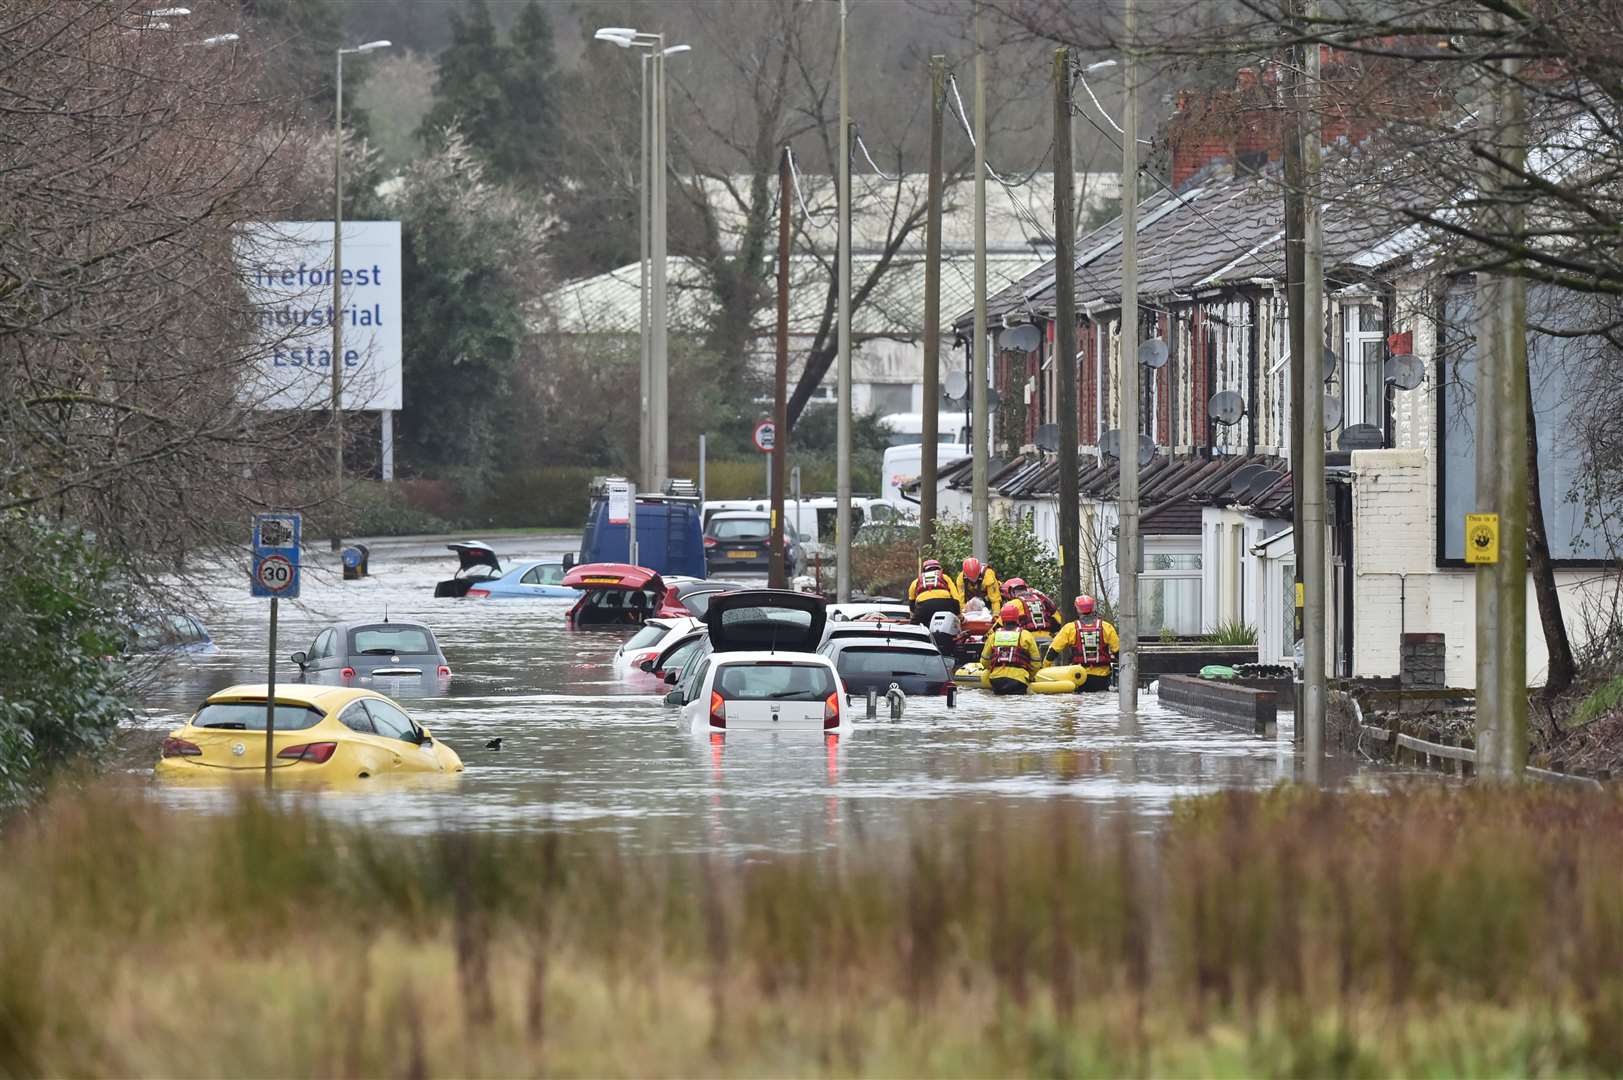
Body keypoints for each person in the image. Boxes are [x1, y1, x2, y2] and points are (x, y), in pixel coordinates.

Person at [1045, 594, 1120, 691]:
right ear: (1093, 608)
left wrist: (1045, 667)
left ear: (1077, 609)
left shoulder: (1070, 628)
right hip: (1102, 677)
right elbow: (1118, 651)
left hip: (1078, 676)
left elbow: (1053, 651)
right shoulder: (1106, 627)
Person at [980, 600, 1043, 695]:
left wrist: (993, 669)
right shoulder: (1026, 635)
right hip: (1019, 680)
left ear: (1002, 620)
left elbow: (984, 661)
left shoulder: (993, 635)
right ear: (1017, 618)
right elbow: (1036, 663)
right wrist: (1030, 677)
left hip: (996, 681)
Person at [907, 557, 963, 627]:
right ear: (940, 569)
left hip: (924, 606)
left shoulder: (916, 581)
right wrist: (960, 615)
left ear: (924, 571)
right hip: (944, 605)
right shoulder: (945, 577)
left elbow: (912, 603)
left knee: (913, 628)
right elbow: (956, 598)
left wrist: (914, 619)